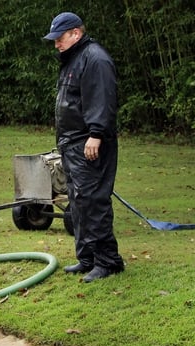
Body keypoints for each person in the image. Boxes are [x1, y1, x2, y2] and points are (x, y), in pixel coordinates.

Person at [43, 12, 125, 283]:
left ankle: (108, 261)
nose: (56, 43)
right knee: (77, 201)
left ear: (76, 33)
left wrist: (97, 134)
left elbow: (103, 98)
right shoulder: (73, 60)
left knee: (93, 200)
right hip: (72, 143)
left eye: (60, 38)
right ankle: (87, 257)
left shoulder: (95, 58)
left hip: (89, 142)